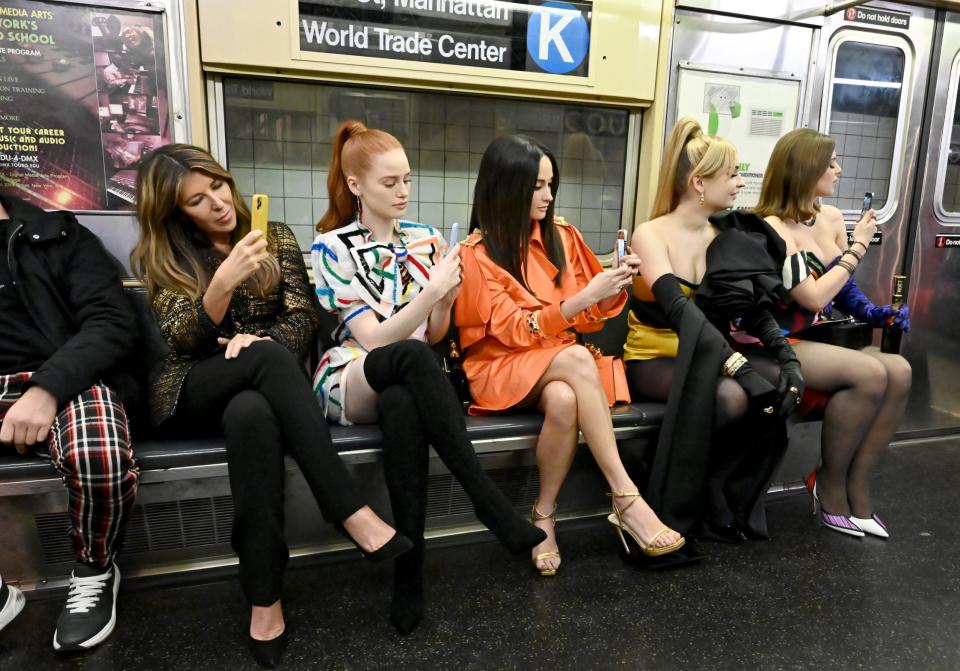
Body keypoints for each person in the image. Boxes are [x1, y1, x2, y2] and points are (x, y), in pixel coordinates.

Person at [131, 144, 412, 667]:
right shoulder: (164, 257)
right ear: (174, 213)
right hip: (191, 386)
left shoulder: (273, 234)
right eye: (197, 199)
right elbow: (182, 339)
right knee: (264, 365)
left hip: (262, 387)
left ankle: (264, 598)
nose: (217, 202)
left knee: (253, 413)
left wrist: (255, 345)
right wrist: (223, 281)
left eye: (217, 185)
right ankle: (347, 509)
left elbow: (304, 319)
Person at [312, 121, 545, 635]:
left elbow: (434, 333)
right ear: (356, 186)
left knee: (404, 400)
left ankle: (409, 570)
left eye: (407, 181)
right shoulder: (331, 247)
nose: (402, 192)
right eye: (389, 182)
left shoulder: (426, 239)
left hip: (408, 380)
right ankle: (485, 498)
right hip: (351, 373)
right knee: (408, 364)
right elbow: (374, 340)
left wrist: (443, 298)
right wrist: (430, 289)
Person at [455, 135, 685, 577]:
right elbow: (518, 331)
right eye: (536, 187)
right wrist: (581, 301)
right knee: (577, 360)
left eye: (550, 184)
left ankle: (543, 517)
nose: (547, 195)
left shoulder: (563, 235)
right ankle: (625, 497)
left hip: (559, 362)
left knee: (563, 398)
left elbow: (594, 318)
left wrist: (618, 286)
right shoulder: (477, 254)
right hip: (501, 366)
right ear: (505, 189)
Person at [625, 119, 802, 543]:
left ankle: (723, 483)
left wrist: (786, 356)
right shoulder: (650, 235)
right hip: (656, 356)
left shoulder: (726, 233)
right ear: (699, 182)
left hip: (712, 351)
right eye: (733, 174)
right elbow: (680, 311)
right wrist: (738, 366)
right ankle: (693, 490)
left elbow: (753, 309)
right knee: (734, 393)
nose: (742, 183)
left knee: (777, 384)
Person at [755, 128, 911, 539]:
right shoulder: (770, 228)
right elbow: (810, 297)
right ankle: (829, 484)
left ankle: (856, 483)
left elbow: (842, 289)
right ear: (806, 170)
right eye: (831, 163)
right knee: (871, 373)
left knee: (899, 369)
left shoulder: (831, 218)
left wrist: (878, 315)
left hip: (814, 342)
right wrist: (858, 248)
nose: (838, 169)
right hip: (773, 343)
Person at [0, 192, 139, 651]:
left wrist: (47, 388)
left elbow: (111, 320)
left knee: (98, 455)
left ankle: (96, 568)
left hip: (63, 374)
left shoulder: (58, 234)